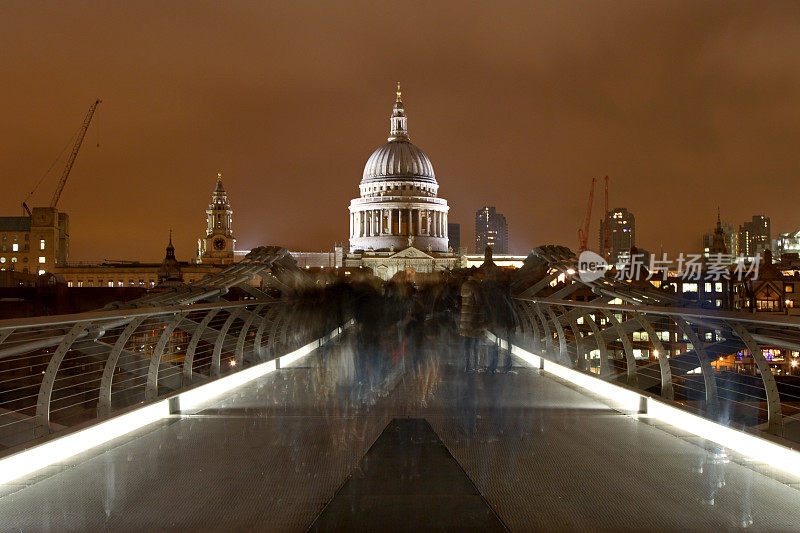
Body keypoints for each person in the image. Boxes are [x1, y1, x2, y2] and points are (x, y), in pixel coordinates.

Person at [459, 274, 485, 372]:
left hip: (464, 318)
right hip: (474, 319)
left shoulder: (464, 285)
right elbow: (479, 302)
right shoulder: (476, 286)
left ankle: (466, 365)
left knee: (466, 343)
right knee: (475, 344)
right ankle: (475, 364)